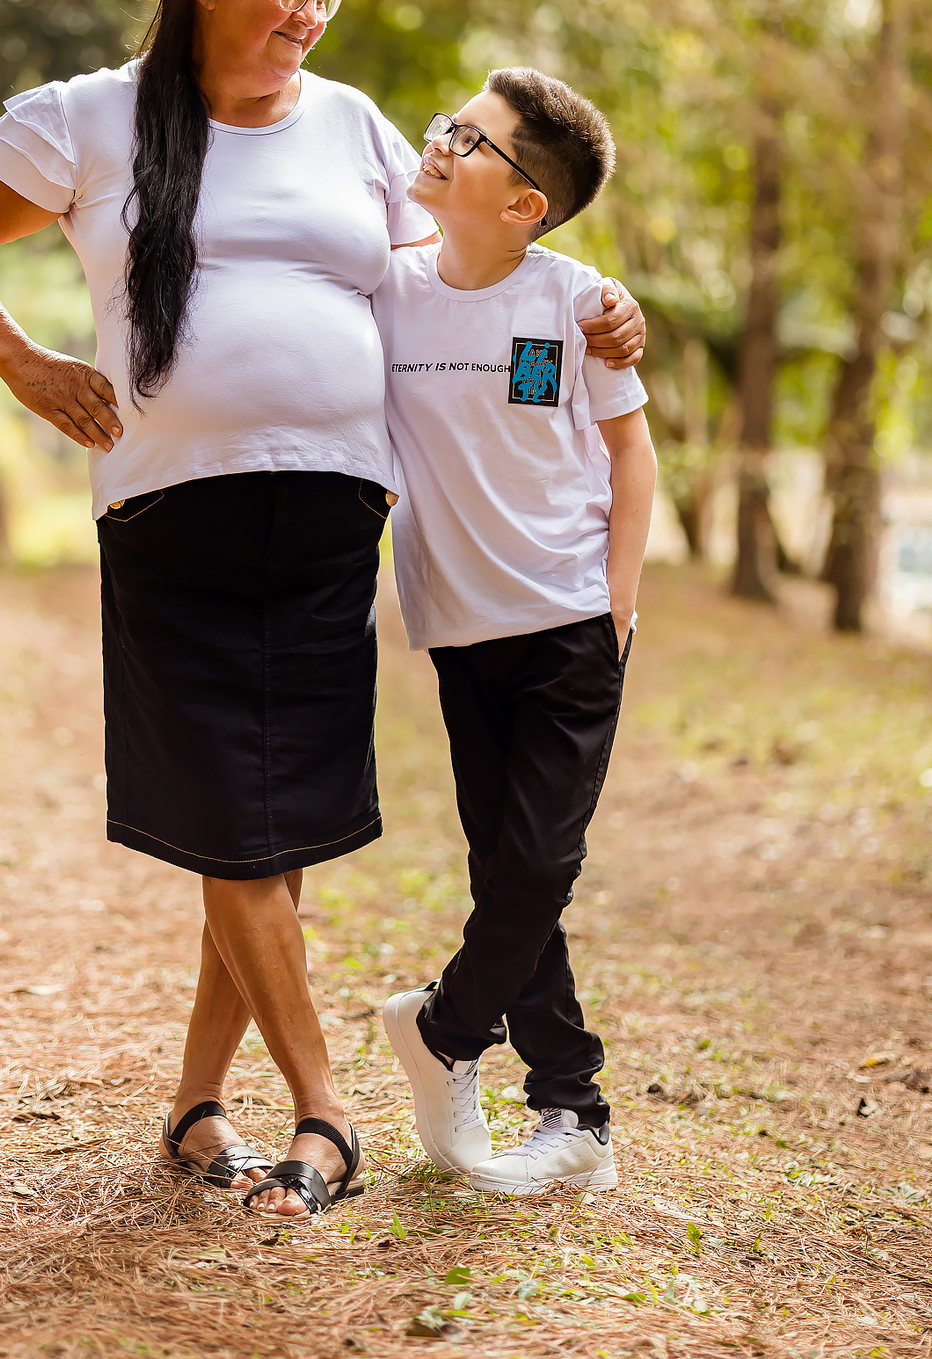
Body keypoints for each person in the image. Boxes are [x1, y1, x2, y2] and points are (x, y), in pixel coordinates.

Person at [0, 0, 647, 1222]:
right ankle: (326, 1111)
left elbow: (457, 267)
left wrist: (594, 309)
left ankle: (194, 1106)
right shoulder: (90, 119)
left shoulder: (350, 125)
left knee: (273, 835)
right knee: (237, 834)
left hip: (333, 524)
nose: (308, 16)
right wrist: (19, 364)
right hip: (175, 507)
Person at [376, 68, 657, 1197]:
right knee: (509, 870)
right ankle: (571, 1106)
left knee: (539, 860)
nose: (441, 143)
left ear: (524, 203)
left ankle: (446, 1027)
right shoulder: (384, 289)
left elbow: (631, 453)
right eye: (448, 124)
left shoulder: (577, 302)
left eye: (472, 140)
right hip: (462, 630)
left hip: (570, 621)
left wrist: (619, 602)